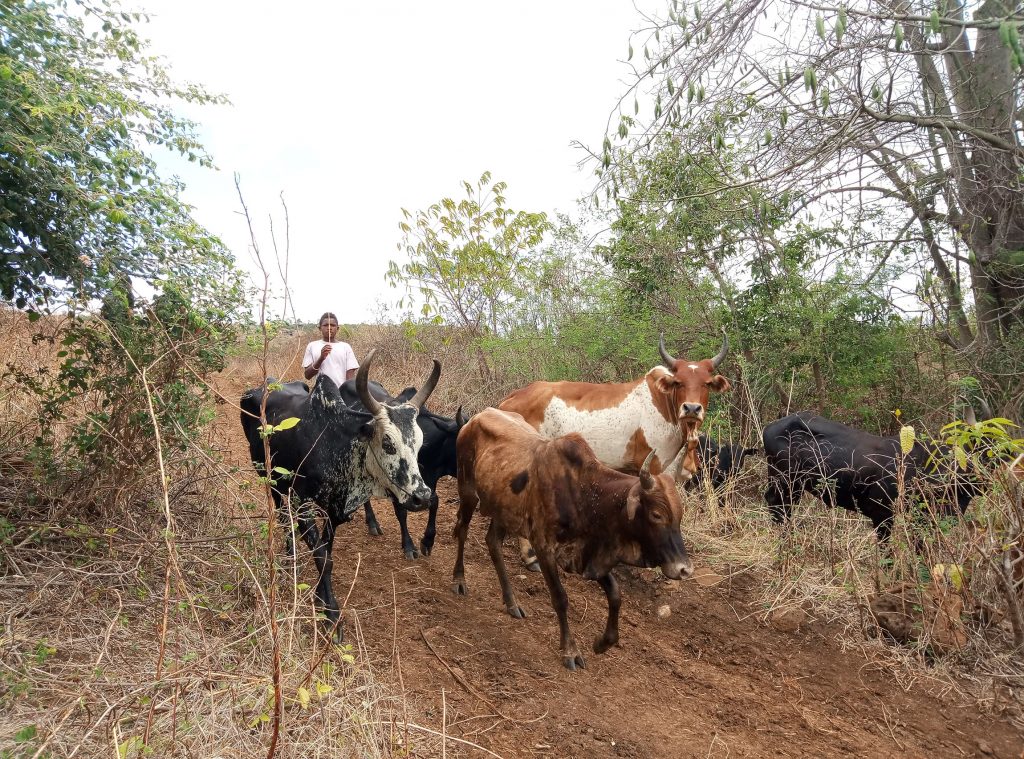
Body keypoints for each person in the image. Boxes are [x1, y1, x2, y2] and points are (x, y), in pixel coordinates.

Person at [303, 312, 359, 387]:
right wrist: (321, 358)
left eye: (332, 325)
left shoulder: (346, 347)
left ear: (337, 328)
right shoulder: (312, 346)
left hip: (341, 393)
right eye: (325, 325)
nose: (329, 328)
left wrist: (349, 393)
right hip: (321, 394)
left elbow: (350, 376)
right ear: (320, 328)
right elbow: (307, 375)